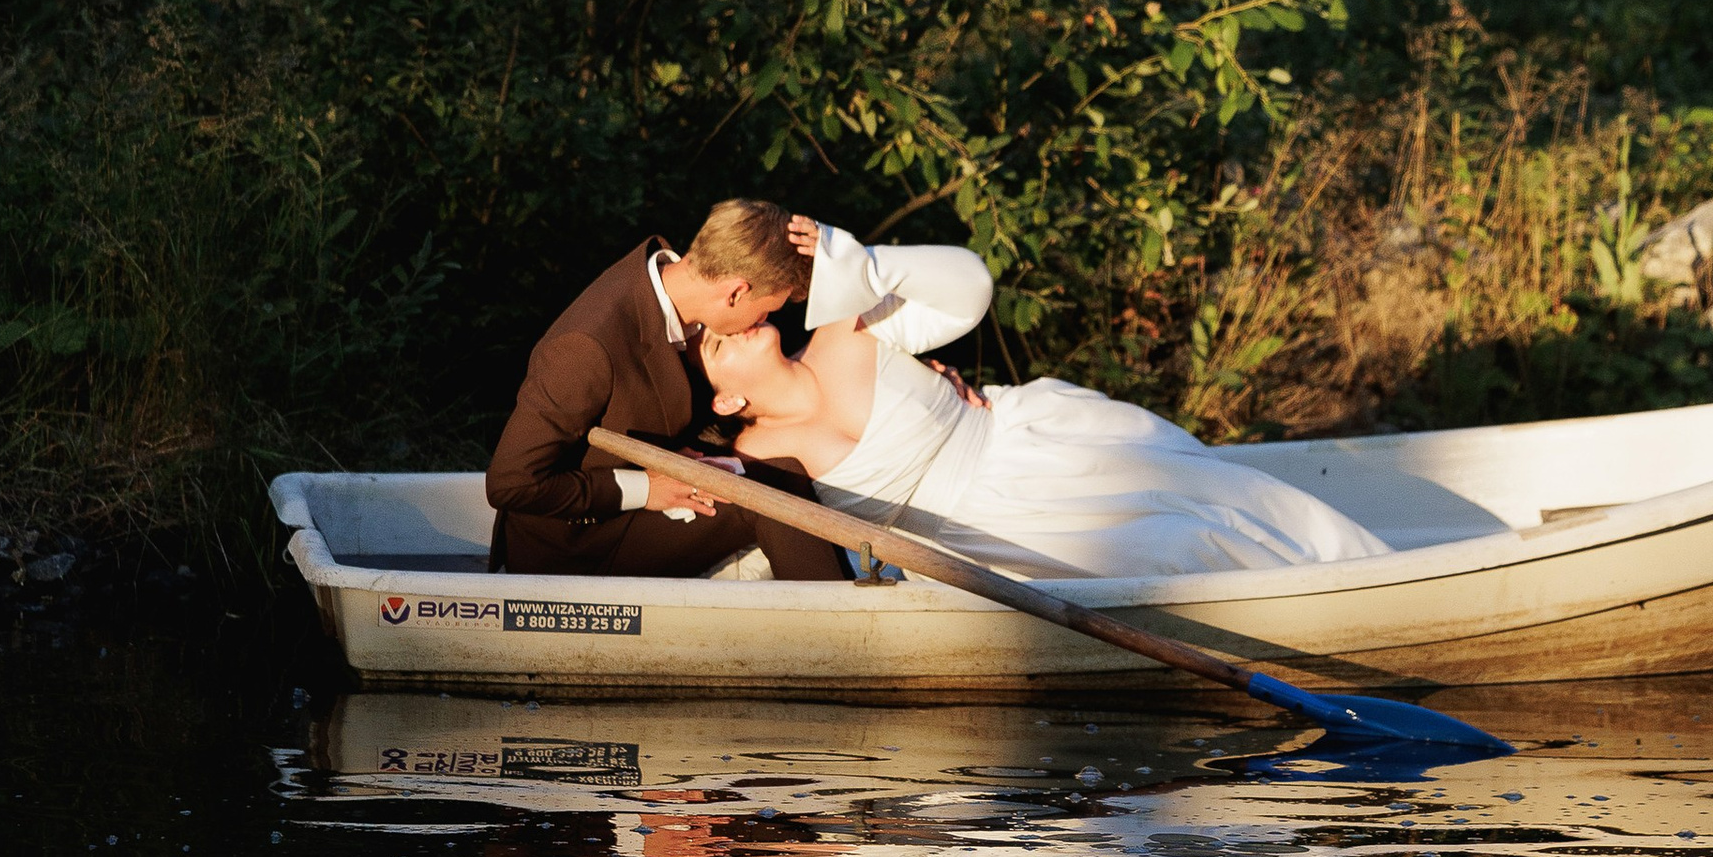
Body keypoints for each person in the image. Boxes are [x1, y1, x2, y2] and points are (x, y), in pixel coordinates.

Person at [706, 221, 1395, 579]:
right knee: (1176, 545)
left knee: (1228, 492)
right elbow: (774, 551)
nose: (731, 327)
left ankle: (1371, 579)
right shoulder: (758, 454)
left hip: (1031, 433)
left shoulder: (841, 326)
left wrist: (863, 263)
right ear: (728, 402)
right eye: (711, 345)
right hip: (994, 527)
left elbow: (969, 286)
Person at [484, 201, 837, 581]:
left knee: (783, 473)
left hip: (643, 490)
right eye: (767, 310)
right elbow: (511, 484)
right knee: (768, 502)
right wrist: (646, 488)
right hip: (576, 547)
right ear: (735, 293)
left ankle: (841, 602)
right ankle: (841, 632)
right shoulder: (585, 349)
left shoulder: (665, 282)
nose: (763, 322)